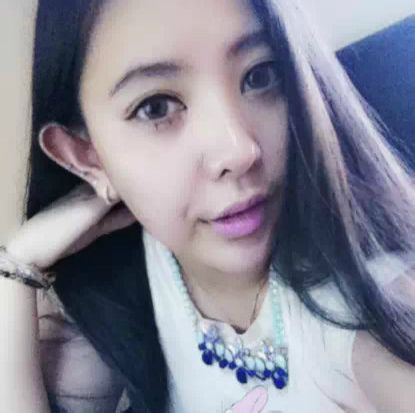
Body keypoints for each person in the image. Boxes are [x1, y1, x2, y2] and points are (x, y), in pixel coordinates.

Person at [1, 0, 415, 412]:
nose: (238, 150)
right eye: (156, 107)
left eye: (260, 75)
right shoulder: (128, 277)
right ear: (87, 157)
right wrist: (17, 267)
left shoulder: (366, 311)